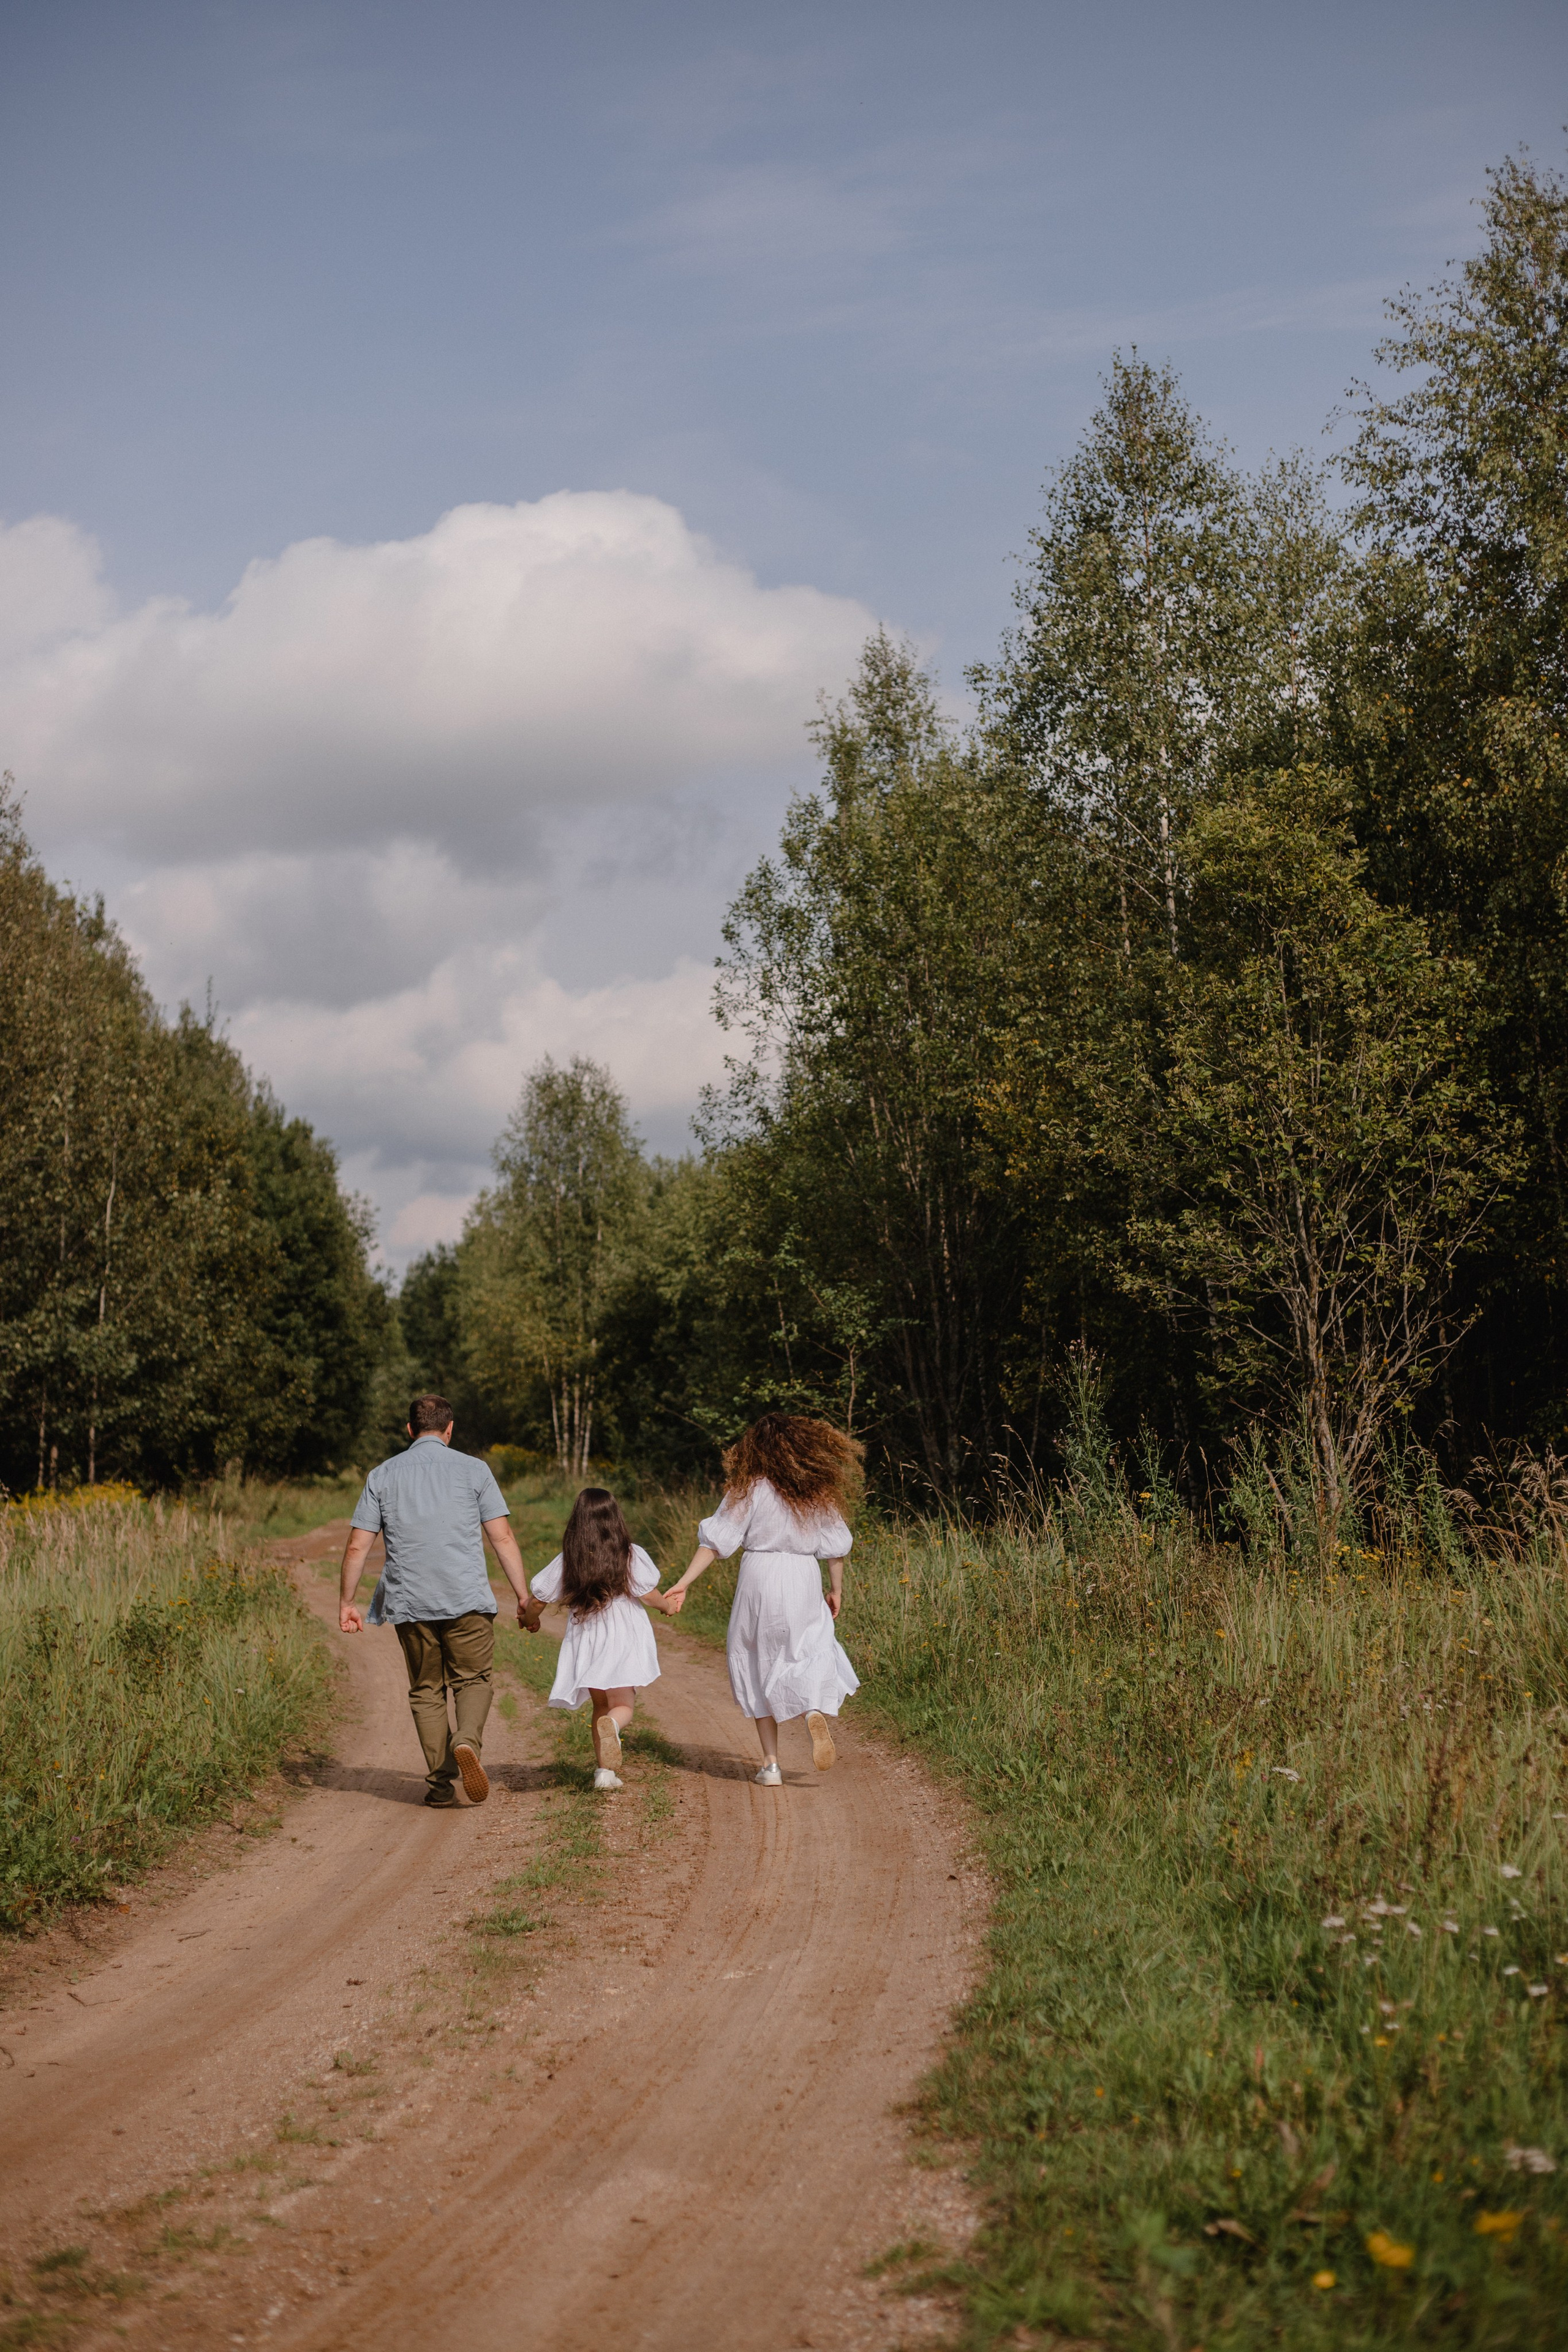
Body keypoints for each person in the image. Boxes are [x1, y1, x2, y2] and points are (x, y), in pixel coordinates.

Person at [337, 1394, 541, 1808]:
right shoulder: (475, 1470)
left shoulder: (382, 1475)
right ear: (450, 1429)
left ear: (410, 1430)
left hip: (409, 1603)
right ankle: (466, 1742)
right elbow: (501, 1537)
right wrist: (524, 1598)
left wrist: (347, 1602)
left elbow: (358, 1548)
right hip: (466, 1599)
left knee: (427, 1690)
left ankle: (440, 1785)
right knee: (474, 1680)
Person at [662, 1411, 861, 1787]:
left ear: (757, 1448)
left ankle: (771, 1766)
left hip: (759, 1575)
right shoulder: (816, 1491)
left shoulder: (750, 1488)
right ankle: (811, 1709)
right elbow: (836, 1548)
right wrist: (836, 1590)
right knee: (809, 1648)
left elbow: (716, 1542)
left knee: (756, 1659)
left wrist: (684, 1582)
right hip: (802, 1575)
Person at [527, 1487, 666, 1791]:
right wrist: (668, 1607)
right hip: (623, 1634)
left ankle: (604, 1773)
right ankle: (615, 1727)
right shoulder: (629, 1553)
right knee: (623, 1704)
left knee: (600, 1704)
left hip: (588, 1635)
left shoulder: (569, 1558)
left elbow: (538, 1598)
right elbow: (649, 1594)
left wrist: (529, 1618)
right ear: (615, 1519)